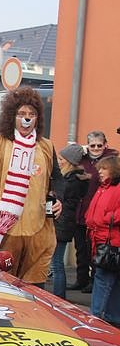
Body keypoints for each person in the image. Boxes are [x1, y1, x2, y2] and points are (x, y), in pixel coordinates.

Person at [0, 87, 63, 287]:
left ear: (38, 118)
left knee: (34, 295)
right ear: (12, 117)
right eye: (21, 114)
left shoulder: (46, 147)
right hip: (1, 233)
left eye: (32, 114)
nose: (27, 119)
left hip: (37, 235)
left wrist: (58, 199)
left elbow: (57, 178)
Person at [71, 131, 118, 293]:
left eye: (99, 145)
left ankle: (92, 281)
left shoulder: (110, 161)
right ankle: (81, 279)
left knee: (96, 252)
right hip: (81, 212)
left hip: (99, 216)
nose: (96, 148)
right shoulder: (82, 159)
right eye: (92, 145)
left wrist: (90, 177)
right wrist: (80, 150)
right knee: (81, 250)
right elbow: (67, 155)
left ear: (105, 144)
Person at [51, 143, 91, 299]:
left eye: (61, 159)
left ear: (69, 161)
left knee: (57, 264)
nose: (59, 162)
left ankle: (58, 297)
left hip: (62, 224)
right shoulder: (74, 179)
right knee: (57, 263)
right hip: (65, 223)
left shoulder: (71, 181)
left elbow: (63, 201)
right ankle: (58, 295)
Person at [85, 155, 120, 327]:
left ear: (113, 170)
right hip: (100, 238)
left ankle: (95, 317)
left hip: (111, 240)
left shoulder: (116, 188)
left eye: (103, 168)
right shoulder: (103, 188)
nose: (99, 171)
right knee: (111, 281)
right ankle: (112, 318)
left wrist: (107, 218)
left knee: (103, 279)